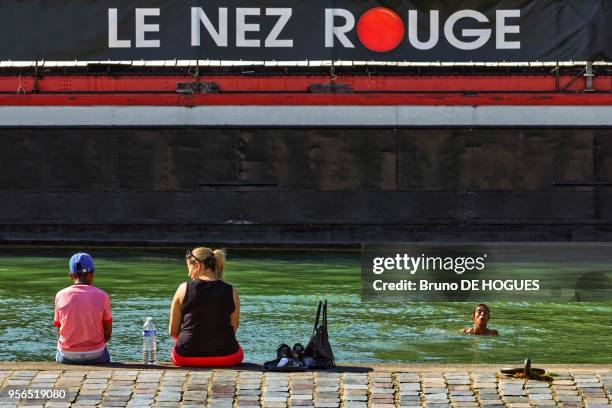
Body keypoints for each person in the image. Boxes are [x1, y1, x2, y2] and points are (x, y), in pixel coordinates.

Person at [169, 247, 243, 367]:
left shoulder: (183, 288)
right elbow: (233, 328)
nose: (189, 274)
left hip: (186, 357)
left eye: (189, 268)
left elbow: (173, 332)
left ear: (197, 265)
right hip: (227, 357)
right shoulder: (231, 290)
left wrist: (192, 345)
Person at [54, 253, 112, 364]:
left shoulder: (60, 295)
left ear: (71, 275)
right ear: (92, 274)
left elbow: (59, 331)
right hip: (96, 354)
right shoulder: (103, 295)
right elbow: (108, 334)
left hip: (67, 355)